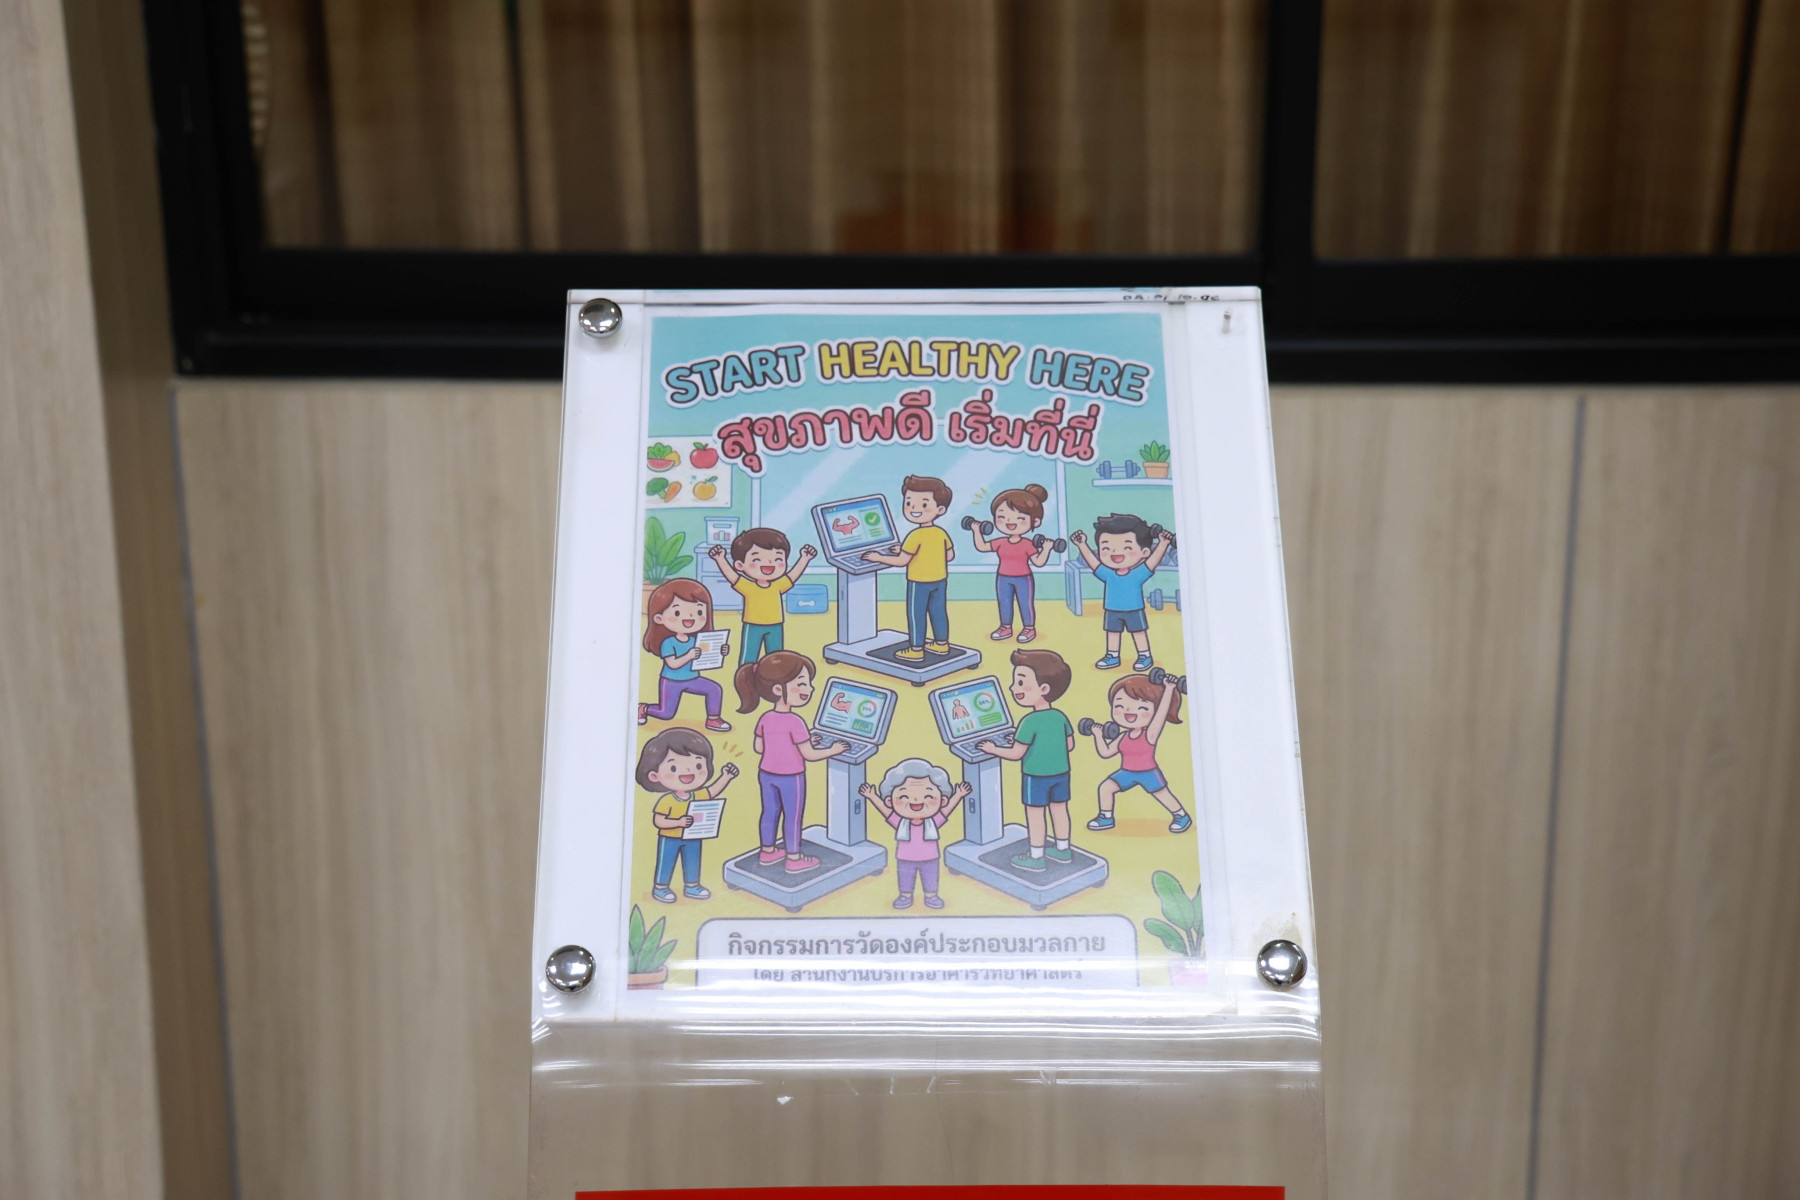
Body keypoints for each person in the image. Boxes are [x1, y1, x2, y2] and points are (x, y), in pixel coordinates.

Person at [733, 650, 846, 874]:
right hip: (791, 777)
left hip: (766, 774)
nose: (809, 689)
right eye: (801, 684)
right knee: (792, 817)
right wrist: (833, 750)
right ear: (778, 690)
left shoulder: (765, 718)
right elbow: (810, 755)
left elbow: (759, 747)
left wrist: (791, 743)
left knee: (769, 812)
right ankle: (794, 858)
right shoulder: (795, 721)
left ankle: (767, 852)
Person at [977, 648, 1077, 871]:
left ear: (1044, 689)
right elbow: (1069, 745)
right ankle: (1063, 850)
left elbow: (1015, 754)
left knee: (1035, 814)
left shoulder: (1029, 722)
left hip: (1036, 777)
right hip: (1061, 775)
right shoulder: (1059, 716)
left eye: (1021, 682)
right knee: (1059, 810)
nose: (1013, 688)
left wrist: (993, 748)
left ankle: (1036, 856)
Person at [636, 728, 739, 903]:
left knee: (693, 861)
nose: (688, 772)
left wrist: (726, 777)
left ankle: (692, 885)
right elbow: (658, 820)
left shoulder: (697, 795)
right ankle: (660, 887)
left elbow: (712, 791)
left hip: (693, 836)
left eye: (698, 766)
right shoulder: (668, 800)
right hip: (670, 838)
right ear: (654, 776)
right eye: (674, 767)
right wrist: (678, 822)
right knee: (666, 861)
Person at [861, 474, 954, 661]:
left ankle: (916, 649)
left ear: (940, 509)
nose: (914, 509)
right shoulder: (940, 532)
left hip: (919, 583)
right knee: (938, 611)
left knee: (916, 614)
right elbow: (949, 556)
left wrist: (878, 557)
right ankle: (941, 644)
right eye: (909, 503)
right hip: (940, 581)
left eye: (924, 504)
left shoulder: (915, 535)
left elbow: (902, 561)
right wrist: (911, 551)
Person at [1086, 673, 1192, 833]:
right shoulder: (1123, 736)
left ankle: (1181, 815)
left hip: (1148, 772)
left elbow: (1161, 714)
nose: (1128, 710)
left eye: (1142, 707)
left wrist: (1169, 689)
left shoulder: (1150, 734)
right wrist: (1098, 735)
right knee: (1106, 787)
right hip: (1127, 772)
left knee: (1162, 794)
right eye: (1119, 706)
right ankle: (1106, 817)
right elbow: (1105, 752)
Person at [1069, 513, 1175, 672]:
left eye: (1127, 547)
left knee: (1138, 632)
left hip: (1134, 609)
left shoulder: (1138, 573)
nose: (1115, 553)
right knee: (1112, 632)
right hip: (1112, 609)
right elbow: (1093, 563)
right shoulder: (1108, 574)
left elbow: (1153, 561)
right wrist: (1082, 545)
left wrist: (1164, 543)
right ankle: (1112, 655)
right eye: (1106, 548)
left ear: (1144, 552)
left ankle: (1144, 655)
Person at [859, 759, 969, 909]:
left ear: (942, 800)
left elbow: (947, 810)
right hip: (905, 857)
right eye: (904, 797)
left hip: (930, 857)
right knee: (905, 878)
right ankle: (905, 896)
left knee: (931, 878)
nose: (916, 800)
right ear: (890, 801)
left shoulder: (933, 821)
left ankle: (931, 896)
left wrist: (959, 795)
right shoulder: (900, 822)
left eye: (928, 796)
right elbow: (885, 811)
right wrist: (872, 797)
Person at [705, 527, 817, 665]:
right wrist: (720, 559)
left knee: (776, 657)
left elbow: (793, 575)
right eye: (757, 559)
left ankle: (775, 675)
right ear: (740, 565)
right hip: (752, 625)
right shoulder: (748, 586)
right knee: (749, 657)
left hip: (775, 625)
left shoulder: (778, 585)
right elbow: (732, 576)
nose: (769, 563)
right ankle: (744, 675)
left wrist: (805, 558)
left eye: (778, 559)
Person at [638, 578, 730, 731]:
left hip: (692, 678)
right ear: (659, 618)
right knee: (666, 713)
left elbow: (704, 657)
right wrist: (689, 656)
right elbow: (672, 664)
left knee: (714, 689)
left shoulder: (695, 640)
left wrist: (720, 651)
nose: (690, 618)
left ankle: (713, 719)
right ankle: (644, 708)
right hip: (671, 681)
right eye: (677, 612)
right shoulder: (668, 643)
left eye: (699, 612)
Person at [968, 482, 1055, 643]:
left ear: (1035, 522)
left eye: (1020, 518)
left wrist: (1047, 549)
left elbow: (1038, 562)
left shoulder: (1027, 544)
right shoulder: (1001, 542)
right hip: (1003, 578)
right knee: (1004, 603)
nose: (1009, 522)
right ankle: (1005, 627)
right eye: (1002, 517)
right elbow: (982, 547)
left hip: (1023, 579)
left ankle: (1029, 628)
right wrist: (976, 531)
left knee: (1025, 603)